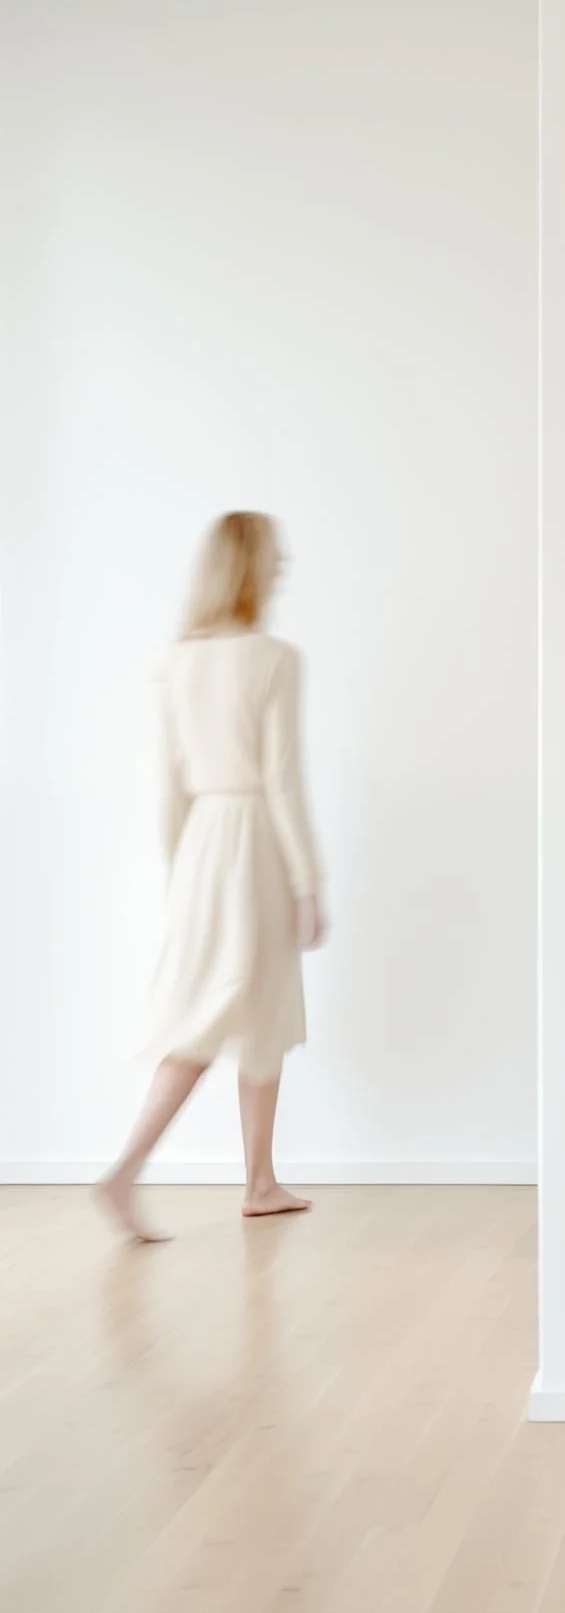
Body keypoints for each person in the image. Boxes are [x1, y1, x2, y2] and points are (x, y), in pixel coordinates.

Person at [96, 512, 327, 1241]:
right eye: (275, 560)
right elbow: (283, 779)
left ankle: (259, 1180)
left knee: (248, 1008)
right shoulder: (274, 658)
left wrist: (180, 875)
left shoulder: (178, 660)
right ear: (252, 568)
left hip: (201, 844)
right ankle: (126, 1170)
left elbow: (171, 786)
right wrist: (307, 880)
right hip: (254, 839)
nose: (282, 569)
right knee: (234, 1008)